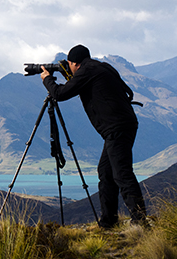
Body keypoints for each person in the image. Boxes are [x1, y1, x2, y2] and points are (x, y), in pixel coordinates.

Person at [40, 44, 147, 229]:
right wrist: (69, 77)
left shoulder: (87, 71)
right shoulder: (100, 67)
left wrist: (47, 79)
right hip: (123, 125)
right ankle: (108, 221)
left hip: (117, 128)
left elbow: (59, 94)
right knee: (106, 172)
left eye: (70, 65)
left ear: (74, 63)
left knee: (122, 173)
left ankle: (140, 222)